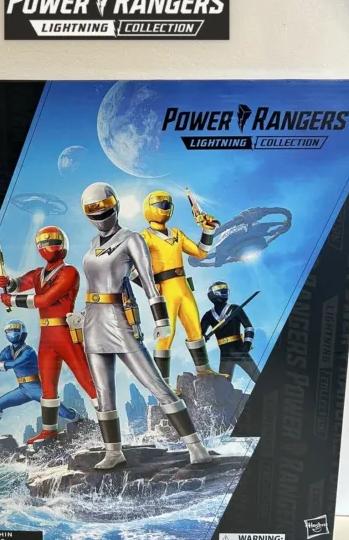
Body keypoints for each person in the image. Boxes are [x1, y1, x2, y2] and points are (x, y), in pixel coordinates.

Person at [77, 182, 211, 469]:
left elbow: (149, 283)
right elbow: (100, 284)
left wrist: (160, 318)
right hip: (92, 321)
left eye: (104, 208)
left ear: (115, 206)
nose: (100, 215)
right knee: (104, 393)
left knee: (156, 384)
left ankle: (195, 446)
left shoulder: (132, 239)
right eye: (93, 211)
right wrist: (82, 314)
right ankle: (113, 452)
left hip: (119, 319)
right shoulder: (93, 245)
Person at [0, 226, 98, 443]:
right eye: (43, 243)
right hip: (47, 337)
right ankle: (49, 430)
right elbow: (20, 284)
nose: (48, 246)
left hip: (65, 333)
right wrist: (8, 284)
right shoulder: (38, 273)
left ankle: (107, 423)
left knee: (87, 379)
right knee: (47, 386)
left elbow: (45, 300)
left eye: (52, 242)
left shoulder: (69, 272)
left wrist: (11, 300)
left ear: (63, 244)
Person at [138, 190, 219, 389]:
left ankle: (204, 371)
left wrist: (207, 230)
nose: (165, 207)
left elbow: (201, 253)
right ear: (149, 208)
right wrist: (151, 288)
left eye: (167, 204)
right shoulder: (145, 236)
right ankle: (163, 385)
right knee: (167, 335)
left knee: (195, 330)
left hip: (183, 287)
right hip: (164, 290)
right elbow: (132, 269)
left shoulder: (177, 233)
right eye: (160, 204)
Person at [0, 319, 78, 447]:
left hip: (37, 387)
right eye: (9, 330)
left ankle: (77, 418)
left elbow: (13, 364)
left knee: (64, 413)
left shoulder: (29, 352)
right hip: (23, 389)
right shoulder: (7, 351)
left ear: (22, 333)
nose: (12, 333)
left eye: (15, 330)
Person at [201, 281, 261, 382]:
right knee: (223, 385)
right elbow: (199, 334)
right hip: (224, 355)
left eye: (225, 290)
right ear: (212, 294)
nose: (224, 293)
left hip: (240, 350)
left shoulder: (235, 308)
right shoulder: (208, 315)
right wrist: (203, 337)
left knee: (258, 378)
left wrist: (247, 343)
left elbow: (249, 327)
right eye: (221, 291)